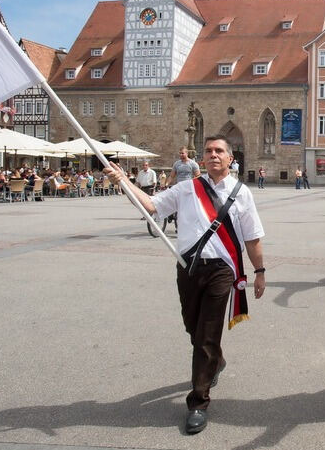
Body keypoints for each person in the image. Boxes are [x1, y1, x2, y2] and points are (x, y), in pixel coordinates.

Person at [104, 136, 266, 434]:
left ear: (231, 159)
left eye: (220, 151)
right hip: (188, 268)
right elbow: (152, 206)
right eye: (208, 151)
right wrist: (123, 182)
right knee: (193, 329)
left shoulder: (241, 194)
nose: (213, 155)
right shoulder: (188, 188)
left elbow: (253, 236)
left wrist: (260, 271)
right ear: (202, 159)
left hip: (221, 270)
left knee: (206, 333)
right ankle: (216, 361)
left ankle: (198, 403)